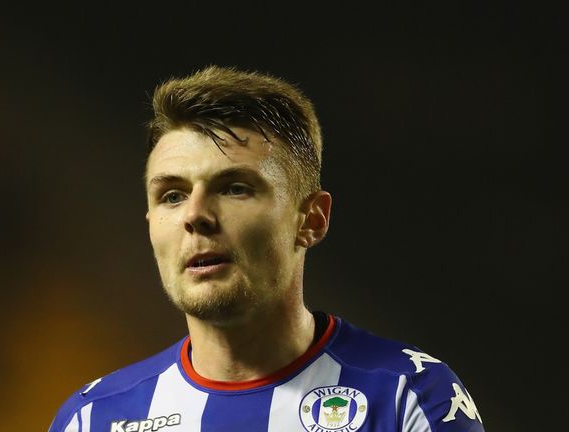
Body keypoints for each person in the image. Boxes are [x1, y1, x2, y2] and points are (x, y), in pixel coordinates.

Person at [48, 66, 484, 432]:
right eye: (172, 196)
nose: (195, 215)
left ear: (311, 219)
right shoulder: (93, 418)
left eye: (234, 188)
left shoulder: (407, 396)